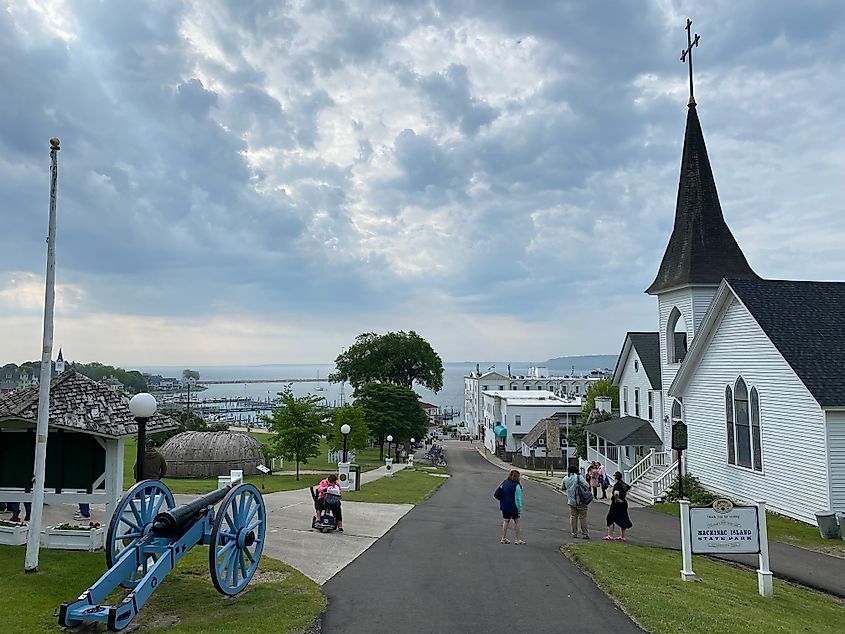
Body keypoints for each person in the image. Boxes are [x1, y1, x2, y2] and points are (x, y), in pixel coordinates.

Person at [497, 469, 524, 545]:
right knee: (517, 521)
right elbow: (517, 499)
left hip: (505, 506)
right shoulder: (517, 486)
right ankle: (517, 539)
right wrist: (519, 508)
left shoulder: (505, 483)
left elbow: (498, 493)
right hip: (514, 507)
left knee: (506, 521)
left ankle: (503, 538)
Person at [562, 466, 590, 539]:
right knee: (583, 517)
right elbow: (587, 485)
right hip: (581, 500)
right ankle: (585, 533)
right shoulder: (579, 477)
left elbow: (563, 487)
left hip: (571, 501)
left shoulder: (565, 478)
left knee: (573, 517)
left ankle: (574, 533)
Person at [604, 472, 633, 541]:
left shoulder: (617, 485)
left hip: (616, 504)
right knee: (623, 518)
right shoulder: (623, 484)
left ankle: (610, 535)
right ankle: (622, 536)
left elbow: (616, 493)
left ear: (615, 477)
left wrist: (617, 499)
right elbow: (629, 487)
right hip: (624, 503)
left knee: (610, 518)